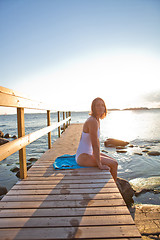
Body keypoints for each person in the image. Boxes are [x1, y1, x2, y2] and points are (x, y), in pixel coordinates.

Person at [76, 97, 118, 181]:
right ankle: (115, 186)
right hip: (83, 157)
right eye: (98, 105)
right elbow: (95, 144)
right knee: (114, 164)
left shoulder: (97, 120)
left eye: (102, 105)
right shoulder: (92, 121)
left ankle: (114, 182)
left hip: (89, 153)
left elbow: (97, 142)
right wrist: (100, 165)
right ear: (93, 108)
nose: (101, 107)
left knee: (113, 161)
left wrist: (97, 156)